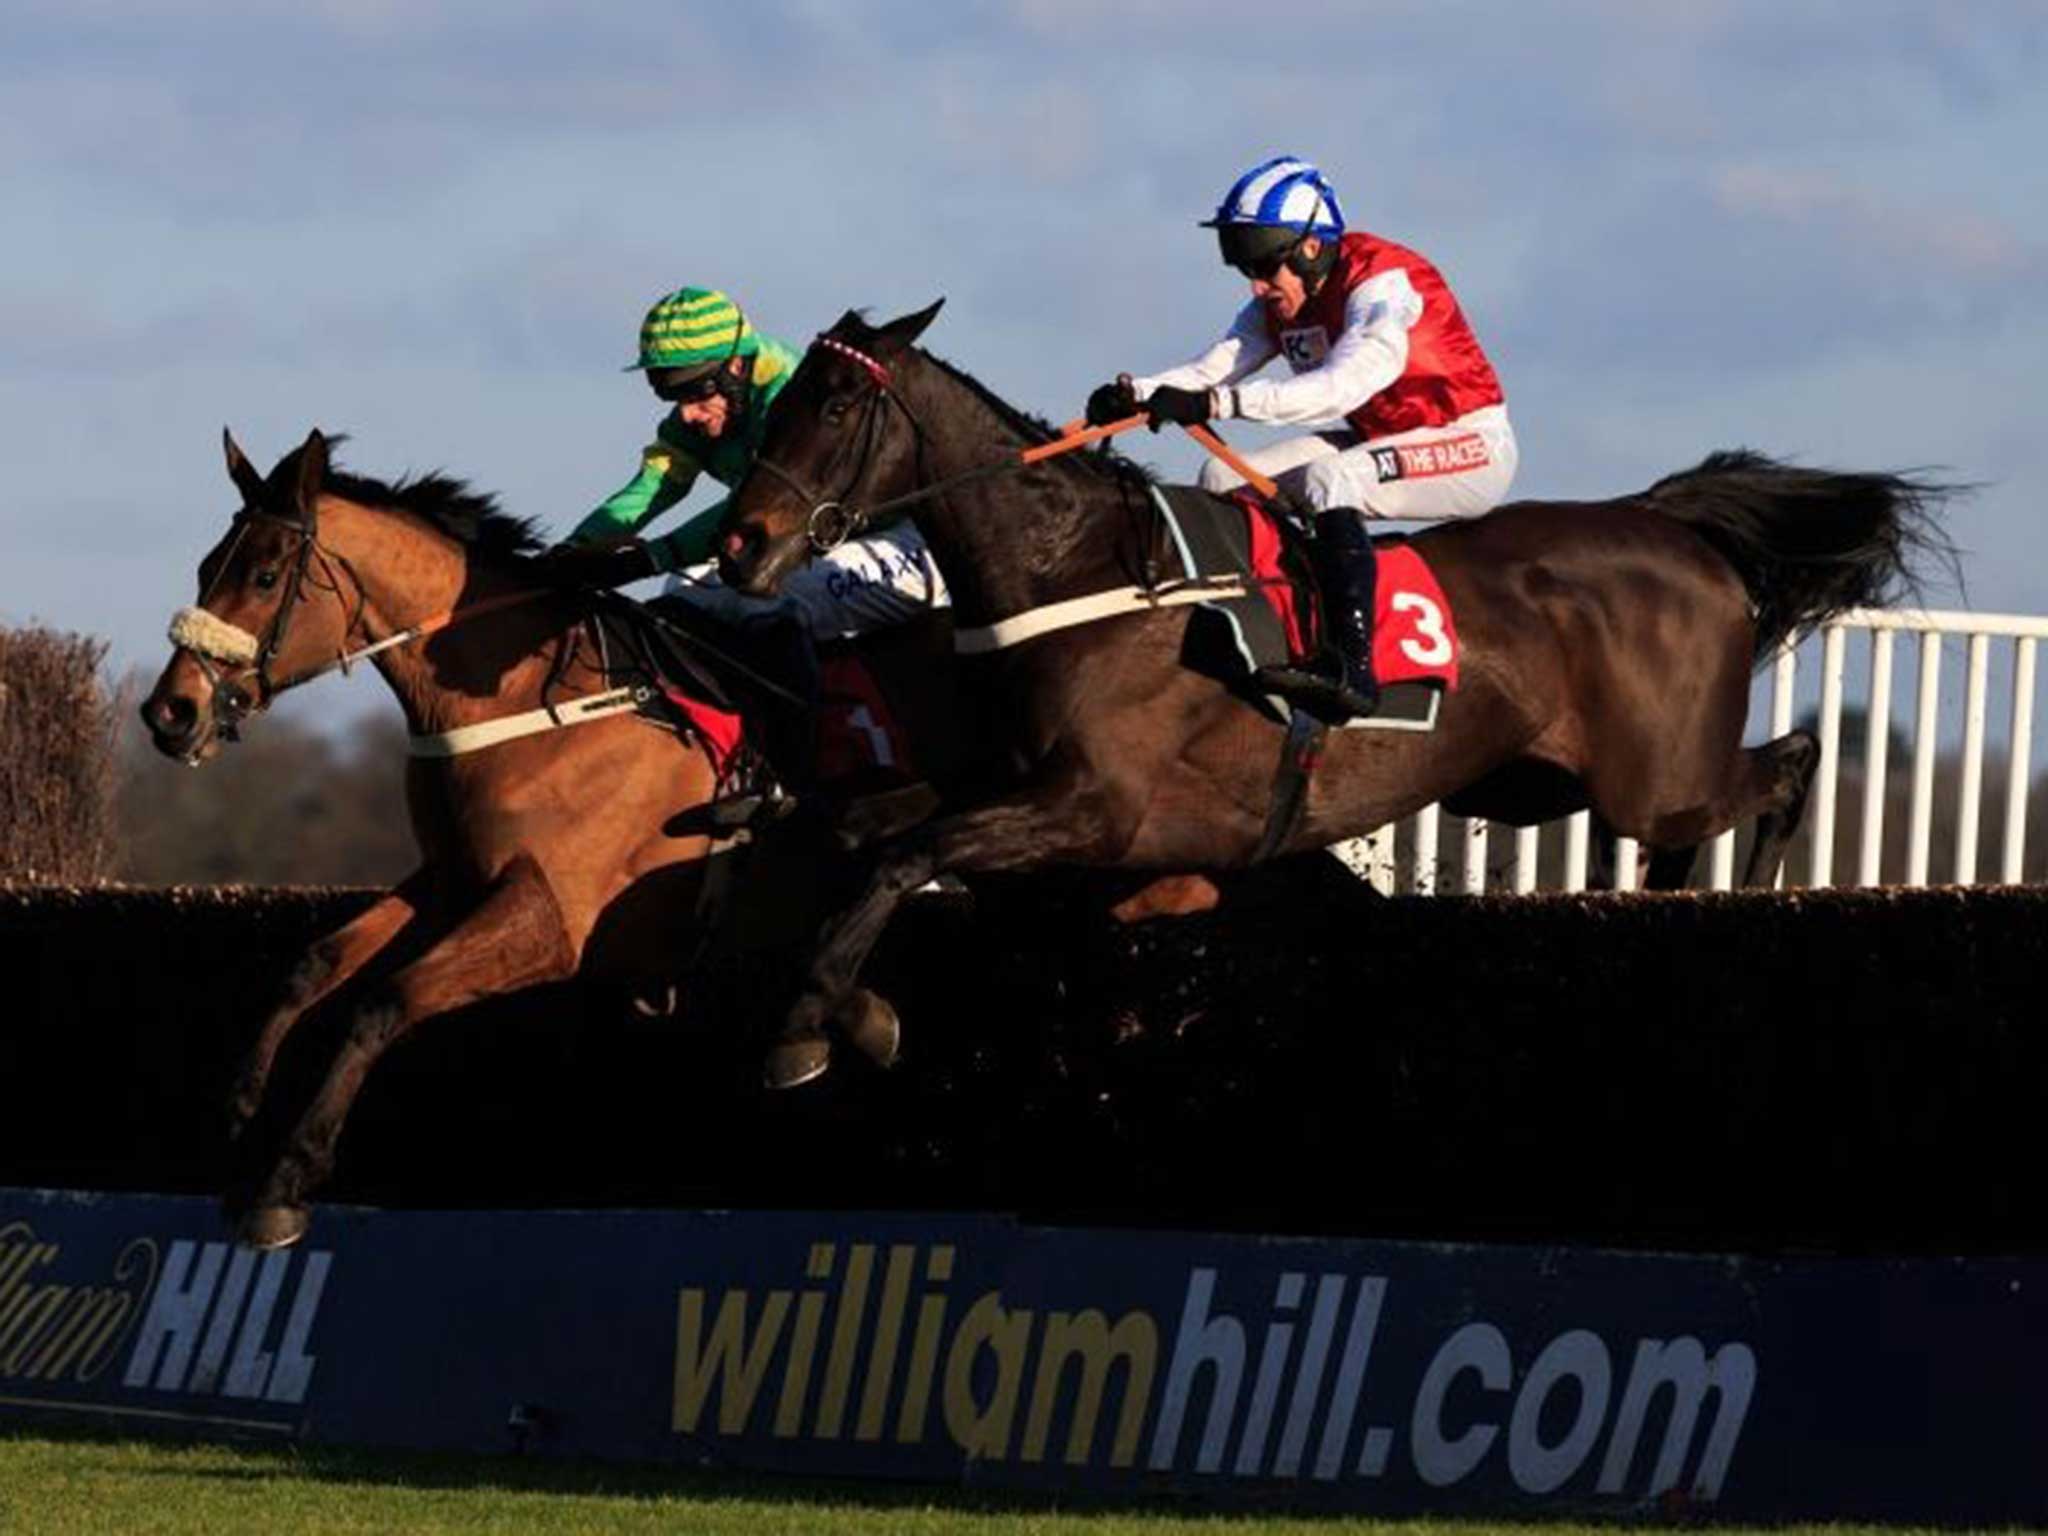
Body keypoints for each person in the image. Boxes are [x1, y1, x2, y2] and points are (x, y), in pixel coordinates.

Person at [1085, 157, 1516, 721]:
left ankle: (1353, 668)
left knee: (1331, 478)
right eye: (1246, 270)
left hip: (1468, 443)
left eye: (1265, 267)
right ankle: (1261, 627)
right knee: (1221, 478)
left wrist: (1217, 405)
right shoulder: (1282, 296)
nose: (1258, 287)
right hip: (1374, 437)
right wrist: (1136, 392)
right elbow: (1212, 369)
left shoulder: (1384, 286)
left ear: (1312, 248)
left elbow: (1336, 390)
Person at [545, 285, 947, 640]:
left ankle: (793, 727)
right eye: (671, 395)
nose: (686, 414)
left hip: (910, 540)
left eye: (695, 391)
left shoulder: (791, 399)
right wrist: (576, 548)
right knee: (679, 596)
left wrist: (652, 556)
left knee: (762, 602)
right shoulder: (702, 414)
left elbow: (749, 510)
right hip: (815, 544)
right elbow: (653, 486)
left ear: (736, 365)